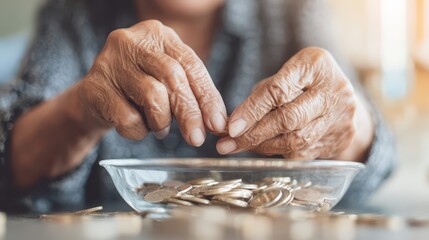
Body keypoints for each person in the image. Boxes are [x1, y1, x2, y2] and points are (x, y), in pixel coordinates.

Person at [0, 0, 395, 213]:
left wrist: (348, 123)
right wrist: (81, 110)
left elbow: (376, 158)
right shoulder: (74, 14)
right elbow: (8, 162)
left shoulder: (294, 10)